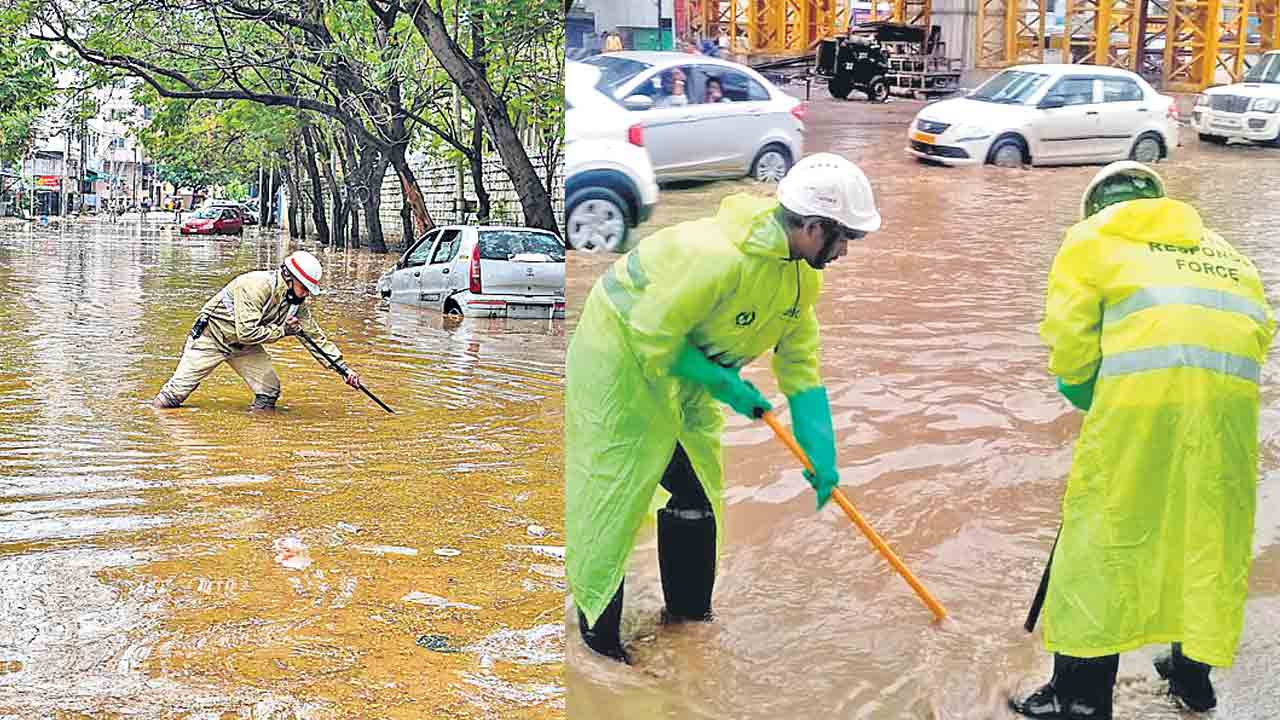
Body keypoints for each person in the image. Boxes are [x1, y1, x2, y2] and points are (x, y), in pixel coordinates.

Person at [566, 153, 881, 662]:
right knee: (614, 491)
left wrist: (822, 455)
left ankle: (688, 622)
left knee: (696, 489)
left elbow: (800, 368)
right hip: (619, 360)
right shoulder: (715, 256)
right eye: (845, 237)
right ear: (813, 226)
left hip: (687, 367)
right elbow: (651, 334)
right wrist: (726, 384)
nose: (847, 250)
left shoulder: (802, 278)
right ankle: (601, 649)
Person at [1010, 162, 1274, 719]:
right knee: (1204, 539)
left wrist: (1092, 398)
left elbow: (1072, 350)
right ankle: (1190, 681)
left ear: (1098, 208)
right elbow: (1256, 337)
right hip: (1229, 420)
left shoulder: (1092, 240)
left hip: (1138, 414)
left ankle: (1078, 698)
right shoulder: (1230, 256)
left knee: (1102, 540)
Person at [152, 250, 364, 411]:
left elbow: (315, 338)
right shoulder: (256, 285)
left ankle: (259, 433)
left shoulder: (296, 302)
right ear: (289, 278)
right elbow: (247, 331)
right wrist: (282, 331)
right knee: (173, 396)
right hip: (212, 339)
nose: (307, 294)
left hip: (245, 346)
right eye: (305, 288)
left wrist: (344, 370)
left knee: (269, 391)